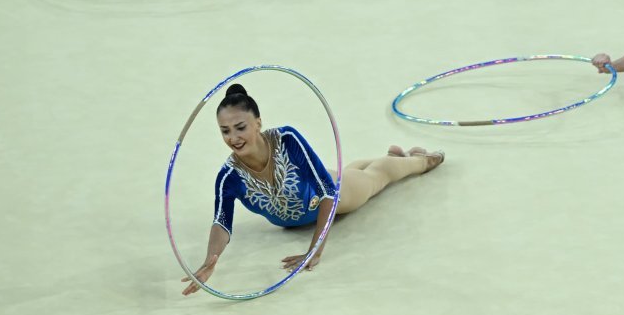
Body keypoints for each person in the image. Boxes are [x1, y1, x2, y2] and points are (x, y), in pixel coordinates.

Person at [180, 83, 443, 295]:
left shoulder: (286, 139)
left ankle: (422, 160)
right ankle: (394, 154)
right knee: (348, 172)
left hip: (335, 198)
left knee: (376, 178)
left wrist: (315, 248)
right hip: (305, 201)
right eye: (225, 131)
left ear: (258, 122)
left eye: (240, 127)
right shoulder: (229, 176)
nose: (233, 138)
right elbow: (221, 223)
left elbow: (329, 191)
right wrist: (210, 259)